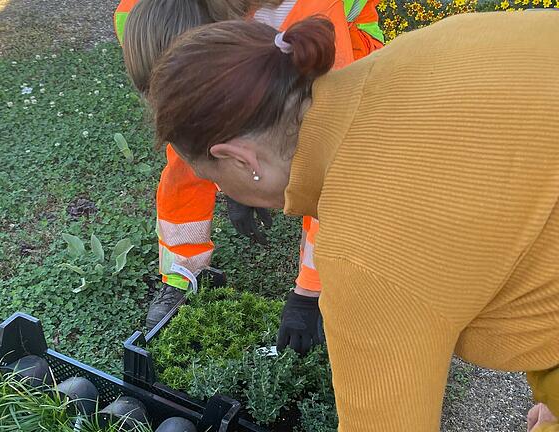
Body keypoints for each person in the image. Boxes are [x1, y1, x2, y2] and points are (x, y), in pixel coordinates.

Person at [146, 13, 559, 431]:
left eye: (215, 180)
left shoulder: (365, 256)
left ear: (241, 159)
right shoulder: (421, 50)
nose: (225, 196)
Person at [114, 0, 385, 346]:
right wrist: (236, 182)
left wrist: (310, 292)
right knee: (187, 156)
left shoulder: (303, 13)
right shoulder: (141, 16)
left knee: (307, 159)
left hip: (349, 53)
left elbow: (328, 163)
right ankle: (181, 275)